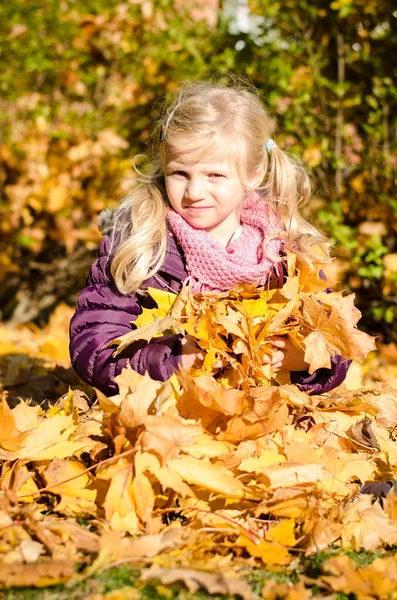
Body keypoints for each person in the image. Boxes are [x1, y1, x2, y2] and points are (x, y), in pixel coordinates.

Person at [69, 78, 350, 397]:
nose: (194, 192)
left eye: (215, 175)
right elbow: (93, 347)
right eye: (180, 173)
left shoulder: (283, 253)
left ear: (253, 175)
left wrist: (309, 359)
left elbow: (338, 339)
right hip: (167, 423)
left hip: (260, 424)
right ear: (164, 166)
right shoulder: (141, 244)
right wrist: (173, 360)